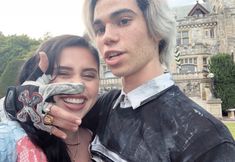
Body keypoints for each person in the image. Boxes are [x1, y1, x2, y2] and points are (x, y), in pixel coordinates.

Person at [2, 0, 235, 161]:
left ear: (156, 28)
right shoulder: (106, 106)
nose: (107, 37)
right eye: (100, 28)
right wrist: (17, 102)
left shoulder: (207, 138)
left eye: (123, 20)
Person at [0, 35, 100, 162]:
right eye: (63, 73)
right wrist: (9, 104)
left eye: (88, 75)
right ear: (38, 81)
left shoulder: (100, 133)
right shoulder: (12, 138)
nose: (78, 85)